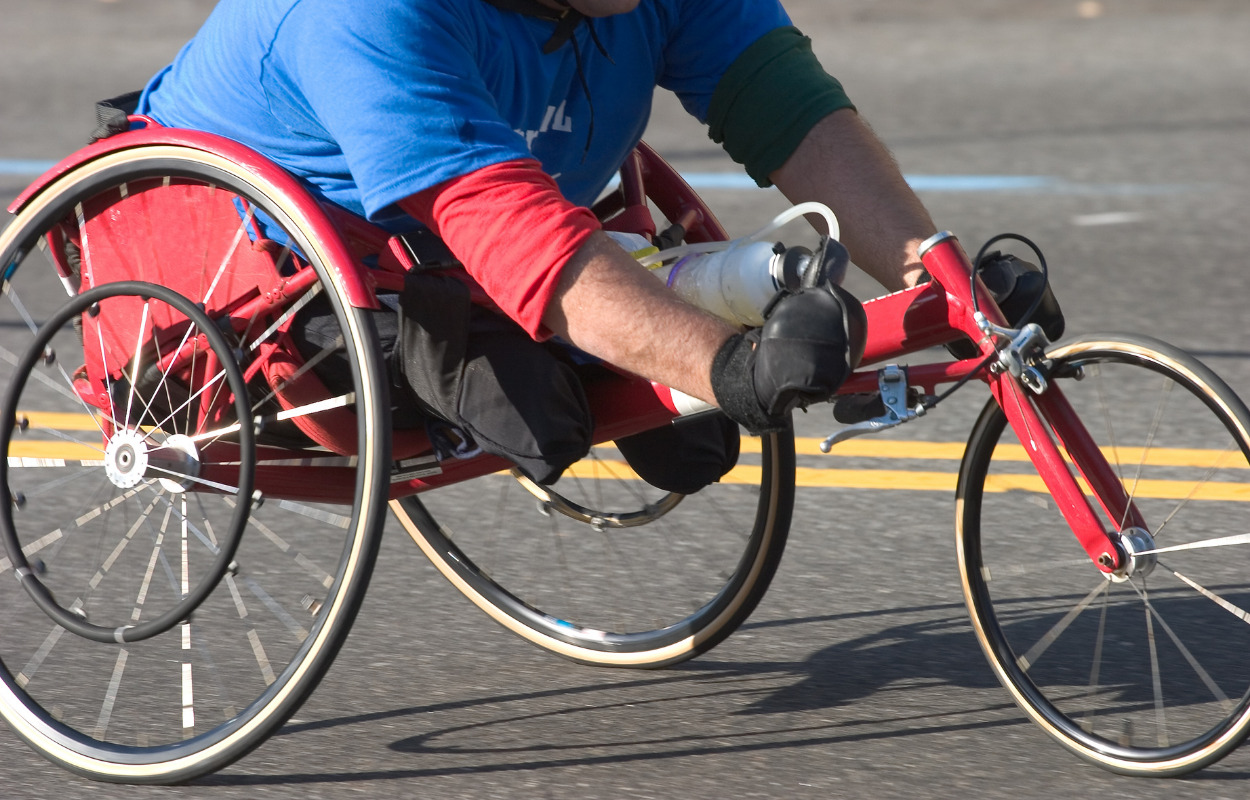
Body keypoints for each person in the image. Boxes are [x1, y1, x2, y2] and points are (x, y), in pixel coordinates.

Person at [135, 0, 939, 488]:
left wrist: (947, 277)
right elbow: (513, 233)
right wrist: (723, 366)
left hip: (462, 250)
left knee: (687, 426)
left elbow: (797, 117)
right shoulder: (366, 12)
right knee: (534, 401)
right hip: (253, 287)